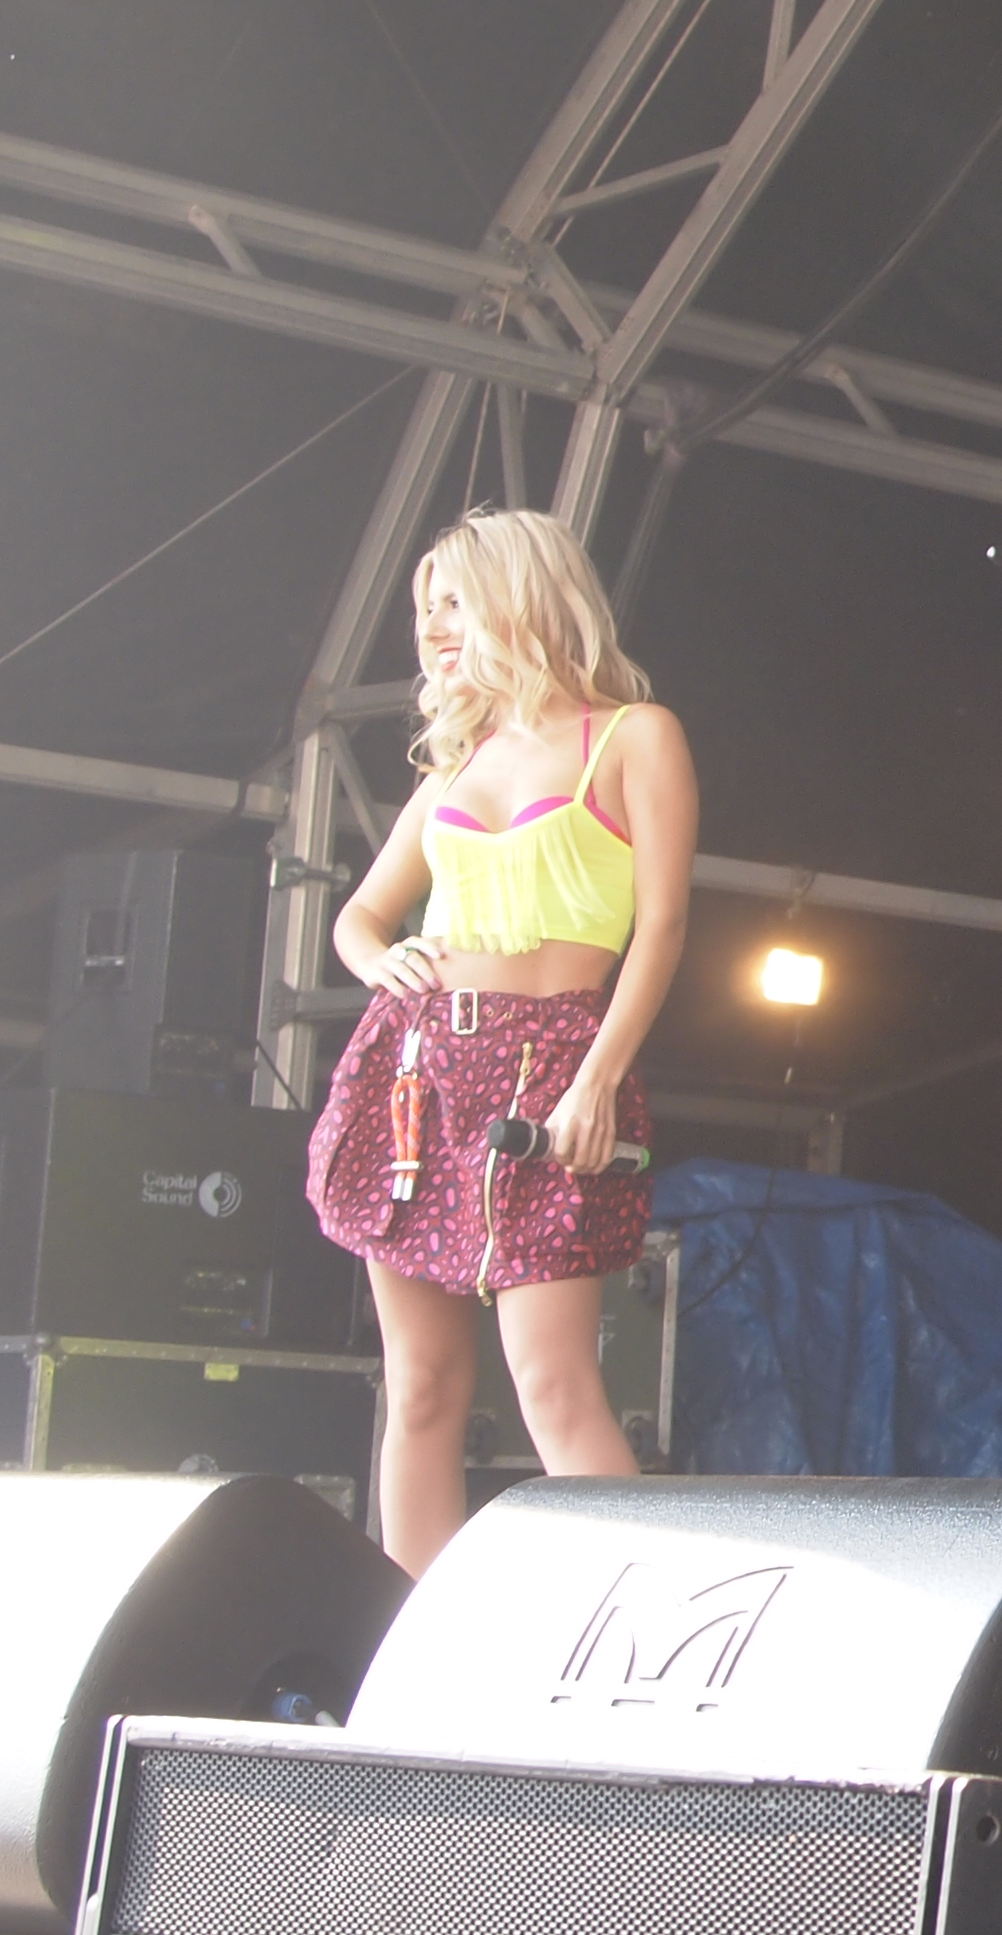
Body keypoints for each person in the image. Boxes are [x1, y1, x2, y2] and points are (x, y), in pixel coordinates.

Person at [311, 509, 696, 1574]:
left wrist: (598, 1078)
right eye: (424, 609)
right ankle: (409, 1627)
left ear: (521, 598)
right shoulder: (454, 765)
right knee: (420, 1384)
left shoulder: (633, 735)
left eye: (454, 602)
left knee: (554, 1383)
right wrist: (377, 961)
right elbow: (358, 916)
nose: (432, 628)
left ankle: (632, 1615)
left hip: (553, 1061)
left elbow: (663, 926)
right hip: (421, 1067)